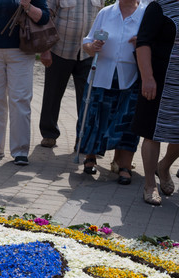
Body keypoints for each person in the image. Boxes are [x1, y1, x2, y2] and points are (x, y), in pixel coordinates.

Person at [0, 0, 50, 165]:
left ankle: (20, 151)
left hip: (21, 51)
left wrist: (28, 6)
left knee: (20, 99)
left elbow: (44, 18)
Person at [76, 0, 143, 182]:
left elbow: (153, 43)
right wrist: (92, 47)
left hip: (130, 77)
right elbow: (87, 42)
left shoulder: (144, 13)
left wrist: (142, 42)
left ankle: (125, 166)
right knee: (94, 116)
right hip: (102, 75)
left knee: (126, 121)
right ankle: (90, 158)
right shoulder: (106, 12)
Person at [133, 0, 179, 205]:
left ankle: (164, 166)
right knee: (152, 133)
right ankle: (150, 185)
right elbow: (143, 42)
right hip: (161, 81)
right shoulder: (160, 6)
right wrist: (148, 77)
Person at [38, 0, 101, 149]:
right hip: (59, 49)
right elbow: (47, 18)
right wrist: (45, 49)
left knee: (87, 98)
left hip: (87, 53)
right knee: (52, 94)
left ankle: (82, 138)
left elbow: (101, 19)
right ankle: (49, 134)